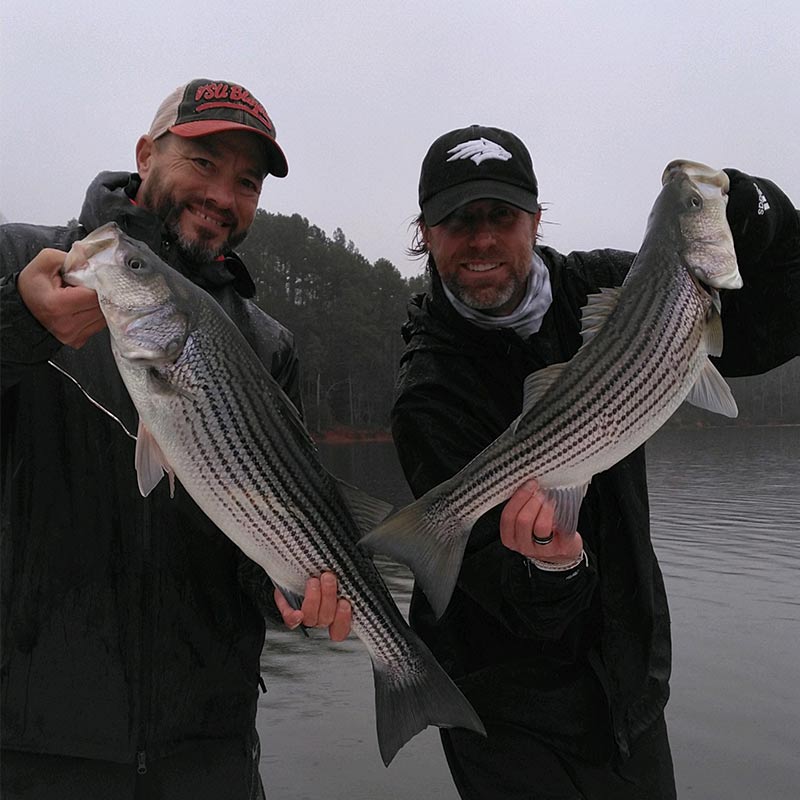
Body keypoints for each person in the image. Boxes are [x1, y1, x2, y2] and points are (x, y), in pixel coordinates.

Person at [391, 125, 799, 800]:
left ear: (536, 218)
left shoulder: (613, 283)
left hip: (629, 687)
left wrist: (761, 212)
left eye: (502, 216)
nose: (483, 238)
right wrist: (551, 570)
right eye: (458, 221)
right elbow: (499, 587)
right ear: (426, 234)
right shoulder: (429, 392)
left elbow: (774, 330)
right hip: (503, 719)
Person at [0, 78, 352, 800]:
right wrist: (16, 321)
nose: (225, 195)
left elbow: (262, 516)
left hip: (209, 753)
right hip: (33, 746)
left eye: (246, 181)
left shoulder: (266, 344)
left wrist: (290, 585)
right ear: (144, 155)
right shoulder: (22, 262)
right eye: (204, 163)